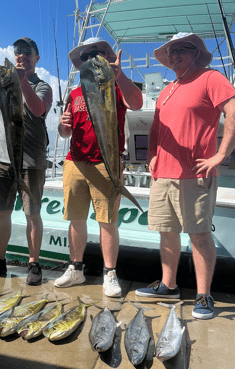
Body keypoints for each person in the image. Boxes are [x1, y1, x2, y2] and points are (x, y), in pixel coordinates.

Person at [135, 33, 235, 319]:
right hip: (163, 175)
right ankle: (168, 285)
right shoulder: (167, 89)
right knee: (166, 233)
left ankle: (203, 295)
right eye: (169, 52)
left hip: (194, 173)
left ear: (195, 52)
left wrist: (221, 154)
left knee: (199, 236)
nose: (173, 56)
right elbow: (157, 128)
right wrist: (151, 156)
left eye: (180, 50)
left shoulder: (209, 78)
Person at [53, 37, 143, 297]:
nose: (92, 57)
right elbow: (65, 133)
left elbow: (136, 103)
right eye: (87, 55)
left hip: (106, 164)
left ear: (107, 56)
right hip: (75, 162)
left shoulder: (116, 85)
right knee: (76, 219)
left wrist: (120, 76)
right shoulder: (75, 91)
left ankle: (110, 272)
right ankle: (76, 268)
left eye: (98, 52)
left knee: (107, 222)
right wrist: (62, 125)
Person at [0, 37, 53, 285]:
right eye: (18, 52)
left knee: (33, 215)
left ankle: (33, 263)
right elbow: (1, 120)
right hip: (2, 160)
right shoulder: (5, 84)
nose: (23, 56)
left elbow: (38, 108)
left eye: (28, 52)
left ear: (37, 58)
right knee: (2, 213)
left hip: (31, 162)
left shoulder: (43, 86)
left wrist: (21, 81)